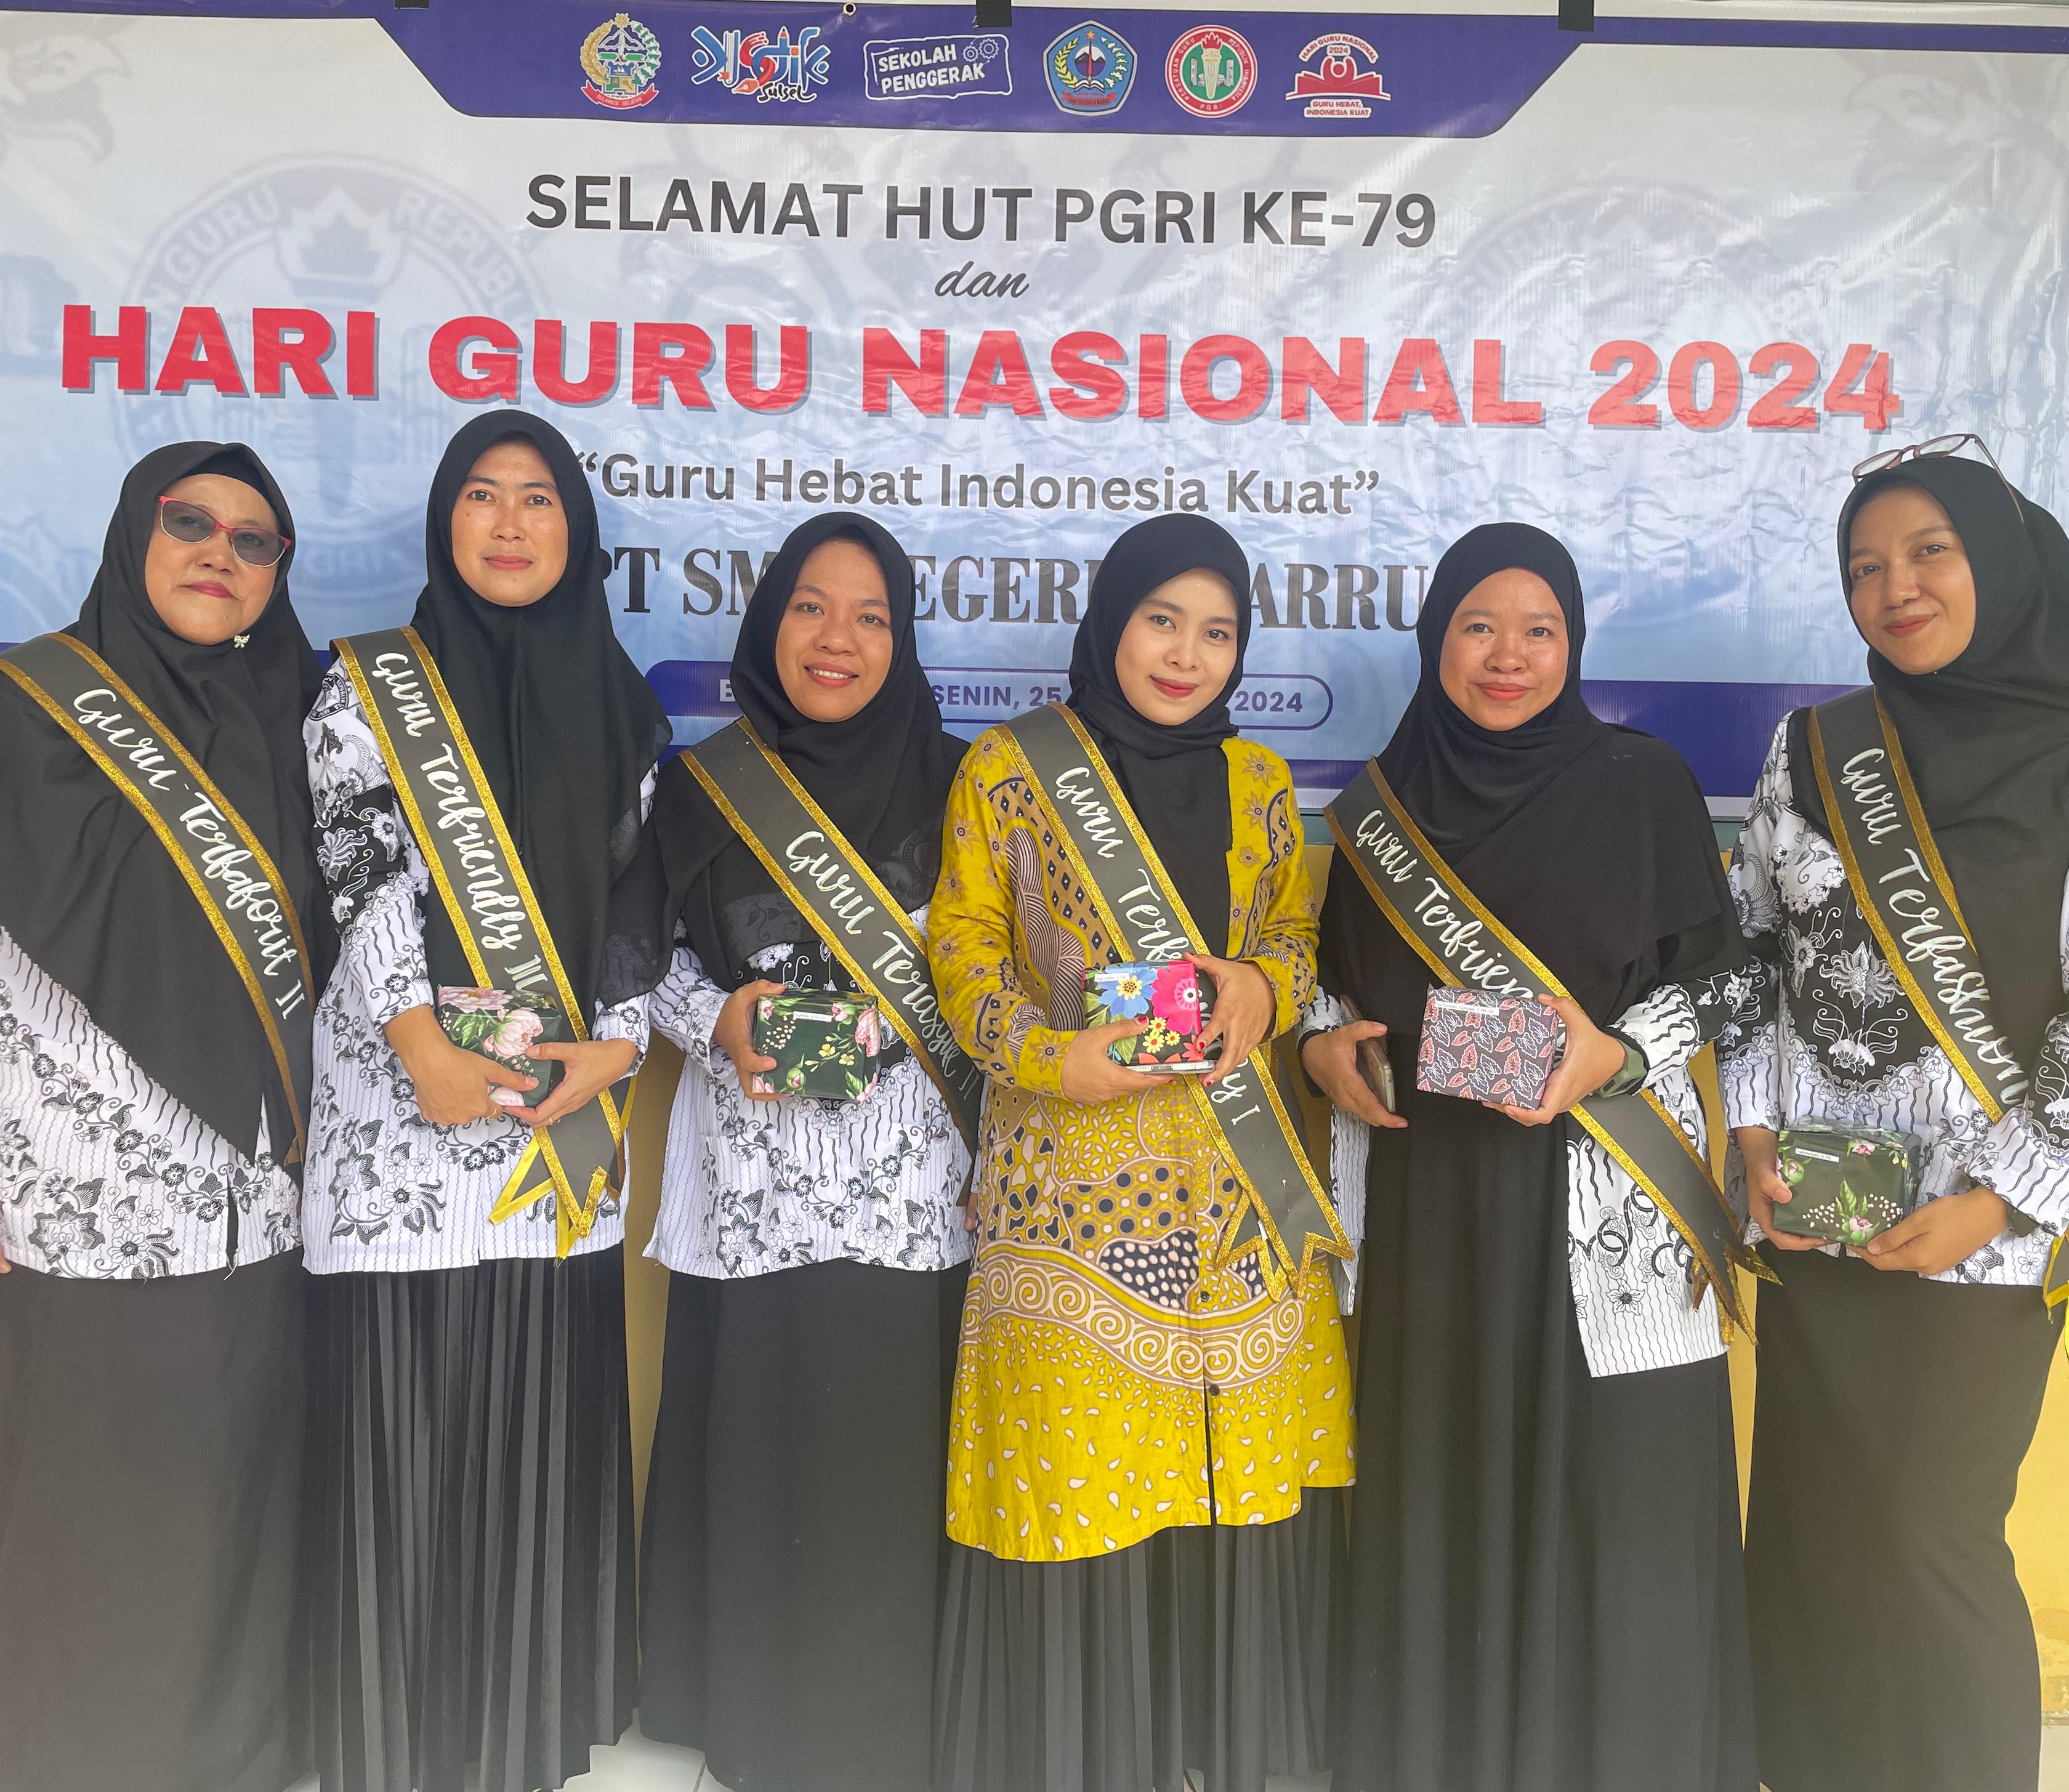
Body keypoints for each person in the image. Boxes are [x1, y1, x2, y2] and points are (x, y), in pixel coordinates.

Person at [0, 443, 329, 1792]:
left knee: (213, 1508)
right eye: (190, 521)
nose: (220, 553)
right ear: (131, 535)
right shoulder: (15, 712)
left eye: (256, 540)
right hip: (41, 1212)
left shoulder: (306, 726)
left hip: (246, 1214)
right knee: (63, 1523)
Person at [1712, 442, 2069, 1792]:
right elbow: (1750, 955)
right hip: (1819, 1209)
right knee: (1815, 1530)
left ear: (1997, 559)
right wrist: (1752, 1136)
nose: (1898, 589)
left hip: (1988, 1234)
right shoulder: (1814, 749)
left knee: (1929, 1537)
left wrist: (1995, 1202)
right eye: (1866, 567)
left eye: (1930, 552)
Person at [1305, 523, 1758, 1792]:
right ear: (1435, 641)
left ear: (1573, 644)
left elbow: (1728, 981)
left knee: (1616, 1488)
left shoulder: (1642, 782)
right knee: (1443, 1480)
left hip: (1605, 1192)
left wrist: (1617, 1052)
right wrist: (1323, 1047)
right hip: (1433, 1199)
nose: (1508, 657)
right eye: (1479, 627)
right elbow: (1330, 985)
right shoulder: (1380, 806)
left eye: (1539, 630)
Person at [927, 514, 1353, 1792]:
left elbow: (1289, 935)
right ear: (1112, 622)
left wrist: (1262, 991)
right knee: (1081, 1466)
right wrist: (1053, 1057)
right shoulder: (1009, 768)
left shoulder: (1260, 780)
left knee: (1231, 1464)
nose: (1185, 655)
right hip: (1068, 1182)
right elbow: (962, 949)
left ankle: (1225, 1756)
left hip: (1234, 1191)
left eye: (1217, 633)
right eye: (1162, 621)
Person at [301, 410, 671, 1792]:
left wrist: (618, 1046)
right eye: (481, 495)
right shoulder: (363, 687)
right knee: (405, 1412)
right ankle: (392, 1737)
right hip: (402, 1118)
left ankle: (524, 1722)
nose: (509, 524)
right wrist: (419, 1043)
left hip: (552, 1124)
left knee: (532, 1412)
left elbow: (640, 895)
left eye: (538, 499)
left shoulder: (620, 702)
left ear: (576, 531)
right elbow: (356, 872)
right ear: (443, 520)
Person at [635, 512, 975, 1792]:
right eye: (812, 608)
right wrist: (714, 1016)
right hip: (755, 1183)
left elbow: (1006, 966)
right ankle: (753, 1718)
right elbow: (645, 958)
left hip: (912, 1186)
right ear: (768, 623)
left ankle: (889, 1724)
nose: (839, 639)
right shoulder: (702, 785)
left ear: (903, 638)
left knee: (887, 1454)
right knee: (761, 1443)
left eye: (871, 615)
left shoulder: (964, 784)